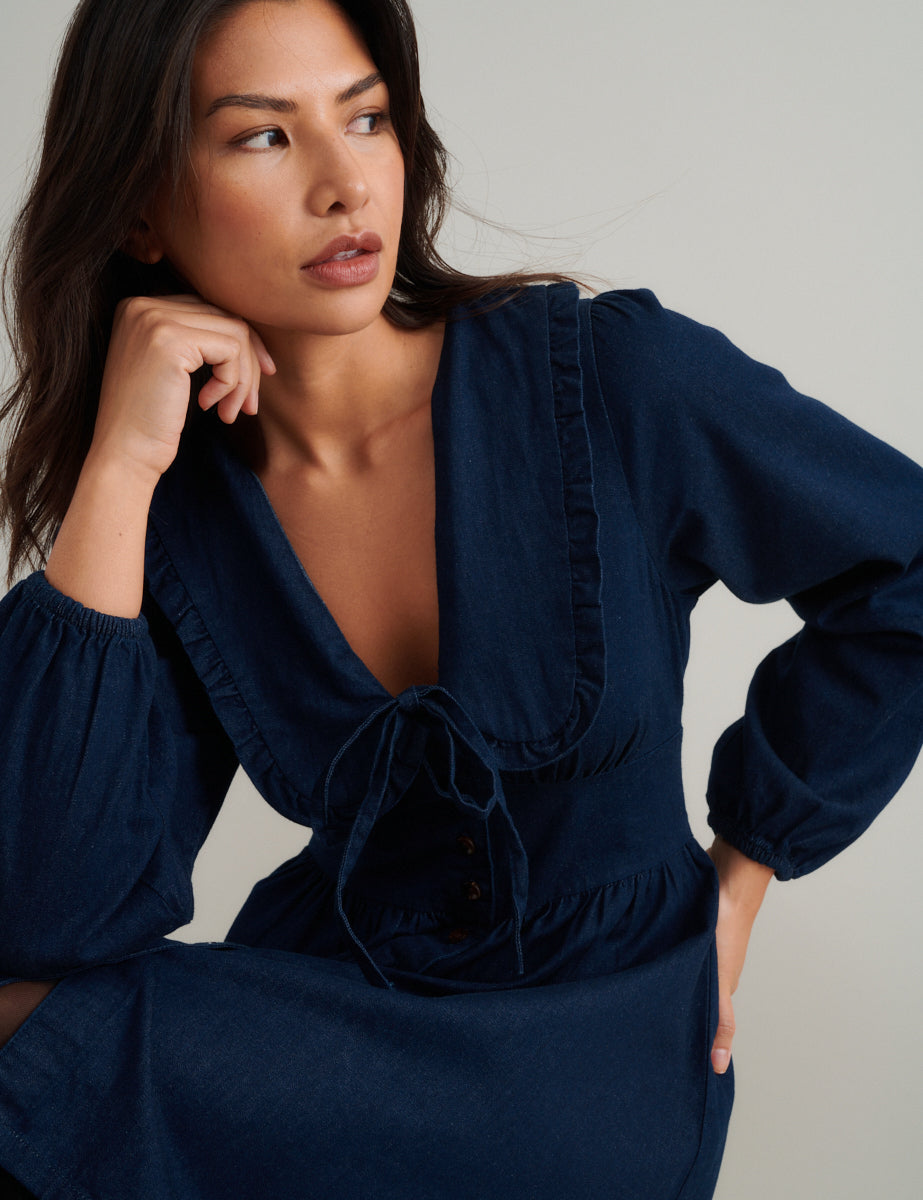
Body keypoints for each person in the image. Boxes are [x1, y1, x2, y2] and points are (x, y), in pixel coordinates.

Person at [0, 0, 921, 1197]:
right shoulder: (183, 512)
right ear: (137, 209)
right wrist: (119, 470)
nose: (345, 184)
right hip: (341, 1016)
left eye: (366, 117)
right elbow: (46, 926)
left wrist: (742, 875)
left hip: (606, 1042)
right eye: (263, 136)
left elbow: (903, 564)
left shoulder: (610, 380)